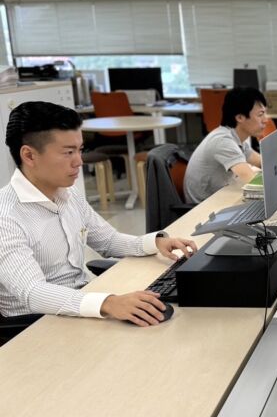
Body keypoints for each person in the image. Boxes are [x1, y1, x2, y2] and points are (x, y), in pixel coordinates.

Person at [0, 101, 197, 326]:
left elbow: (108, 241)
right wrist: (108, 303)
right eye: (68, 152)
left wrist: (157, 242)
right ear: (29, 155)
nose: (79, 161)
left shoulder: (68, 194)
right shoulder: (6, 216)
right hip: (35, 324)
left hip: (80, 304)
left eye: (80, 150)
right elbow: (33, 293)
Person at [184, 87, 269, 203]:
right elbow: (252, 179)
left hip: (218, 198)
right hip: (203, 209)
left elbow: (262, 162)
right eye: (260, 115)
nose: (266, 120)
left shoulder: (236, 138)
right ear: (240, 117)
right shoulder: (223, 141)